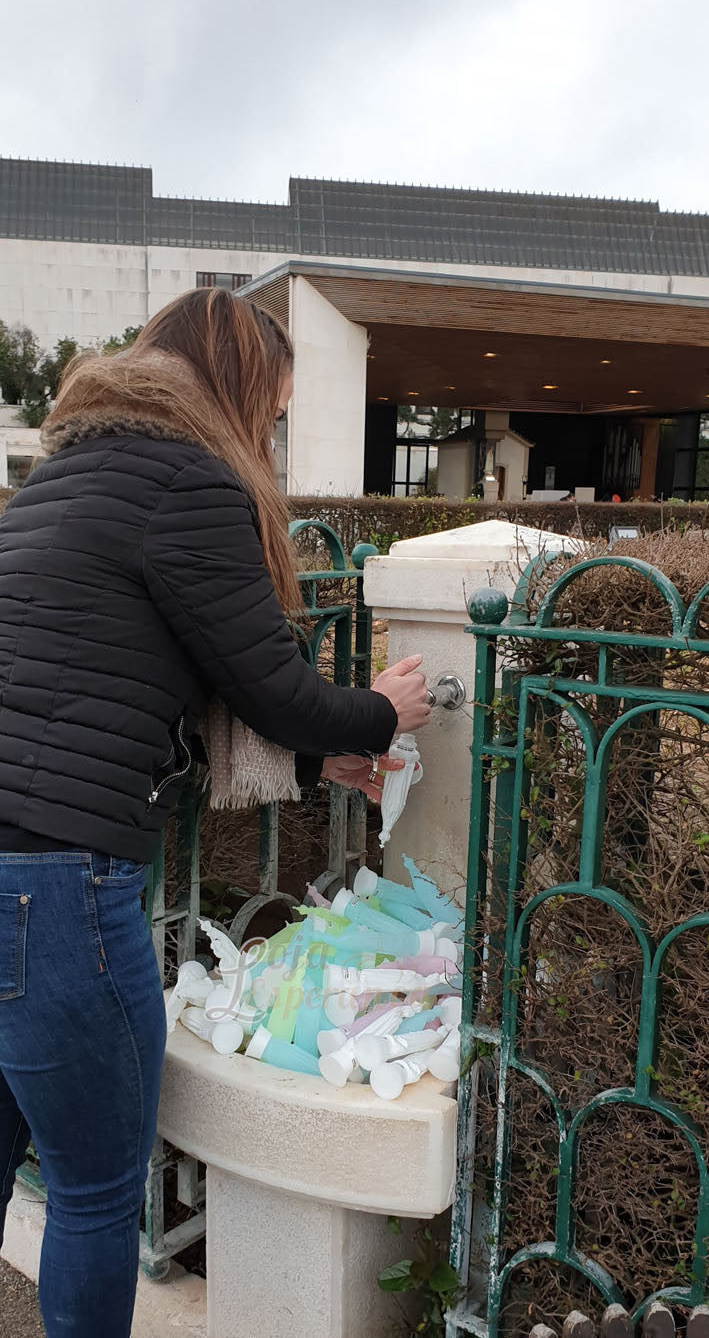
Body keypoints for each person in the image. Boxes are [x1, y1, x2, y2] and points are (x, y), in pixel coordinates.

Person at [0, 288, 431, 1336]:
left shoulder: (59, 479)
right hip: (60, 888)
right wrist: (382, 712)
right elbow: (267, 686)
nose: (270, 436)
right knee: (98, 1192)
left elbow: (107, 687)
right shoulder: (186, 481)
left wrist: (317, 758)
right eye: (272, 412)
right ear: (237, 388)